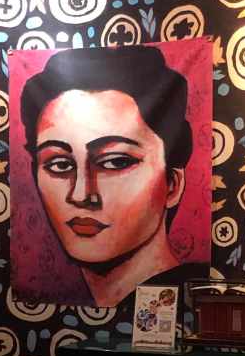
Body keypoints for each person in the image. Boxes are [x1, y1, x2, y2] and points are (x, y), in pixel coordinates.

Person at [20, 45, 200, 306]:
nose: (81, 195)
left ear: (172, 184)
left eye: (115, 162)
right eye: (59, 165)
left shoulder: (191, 306)